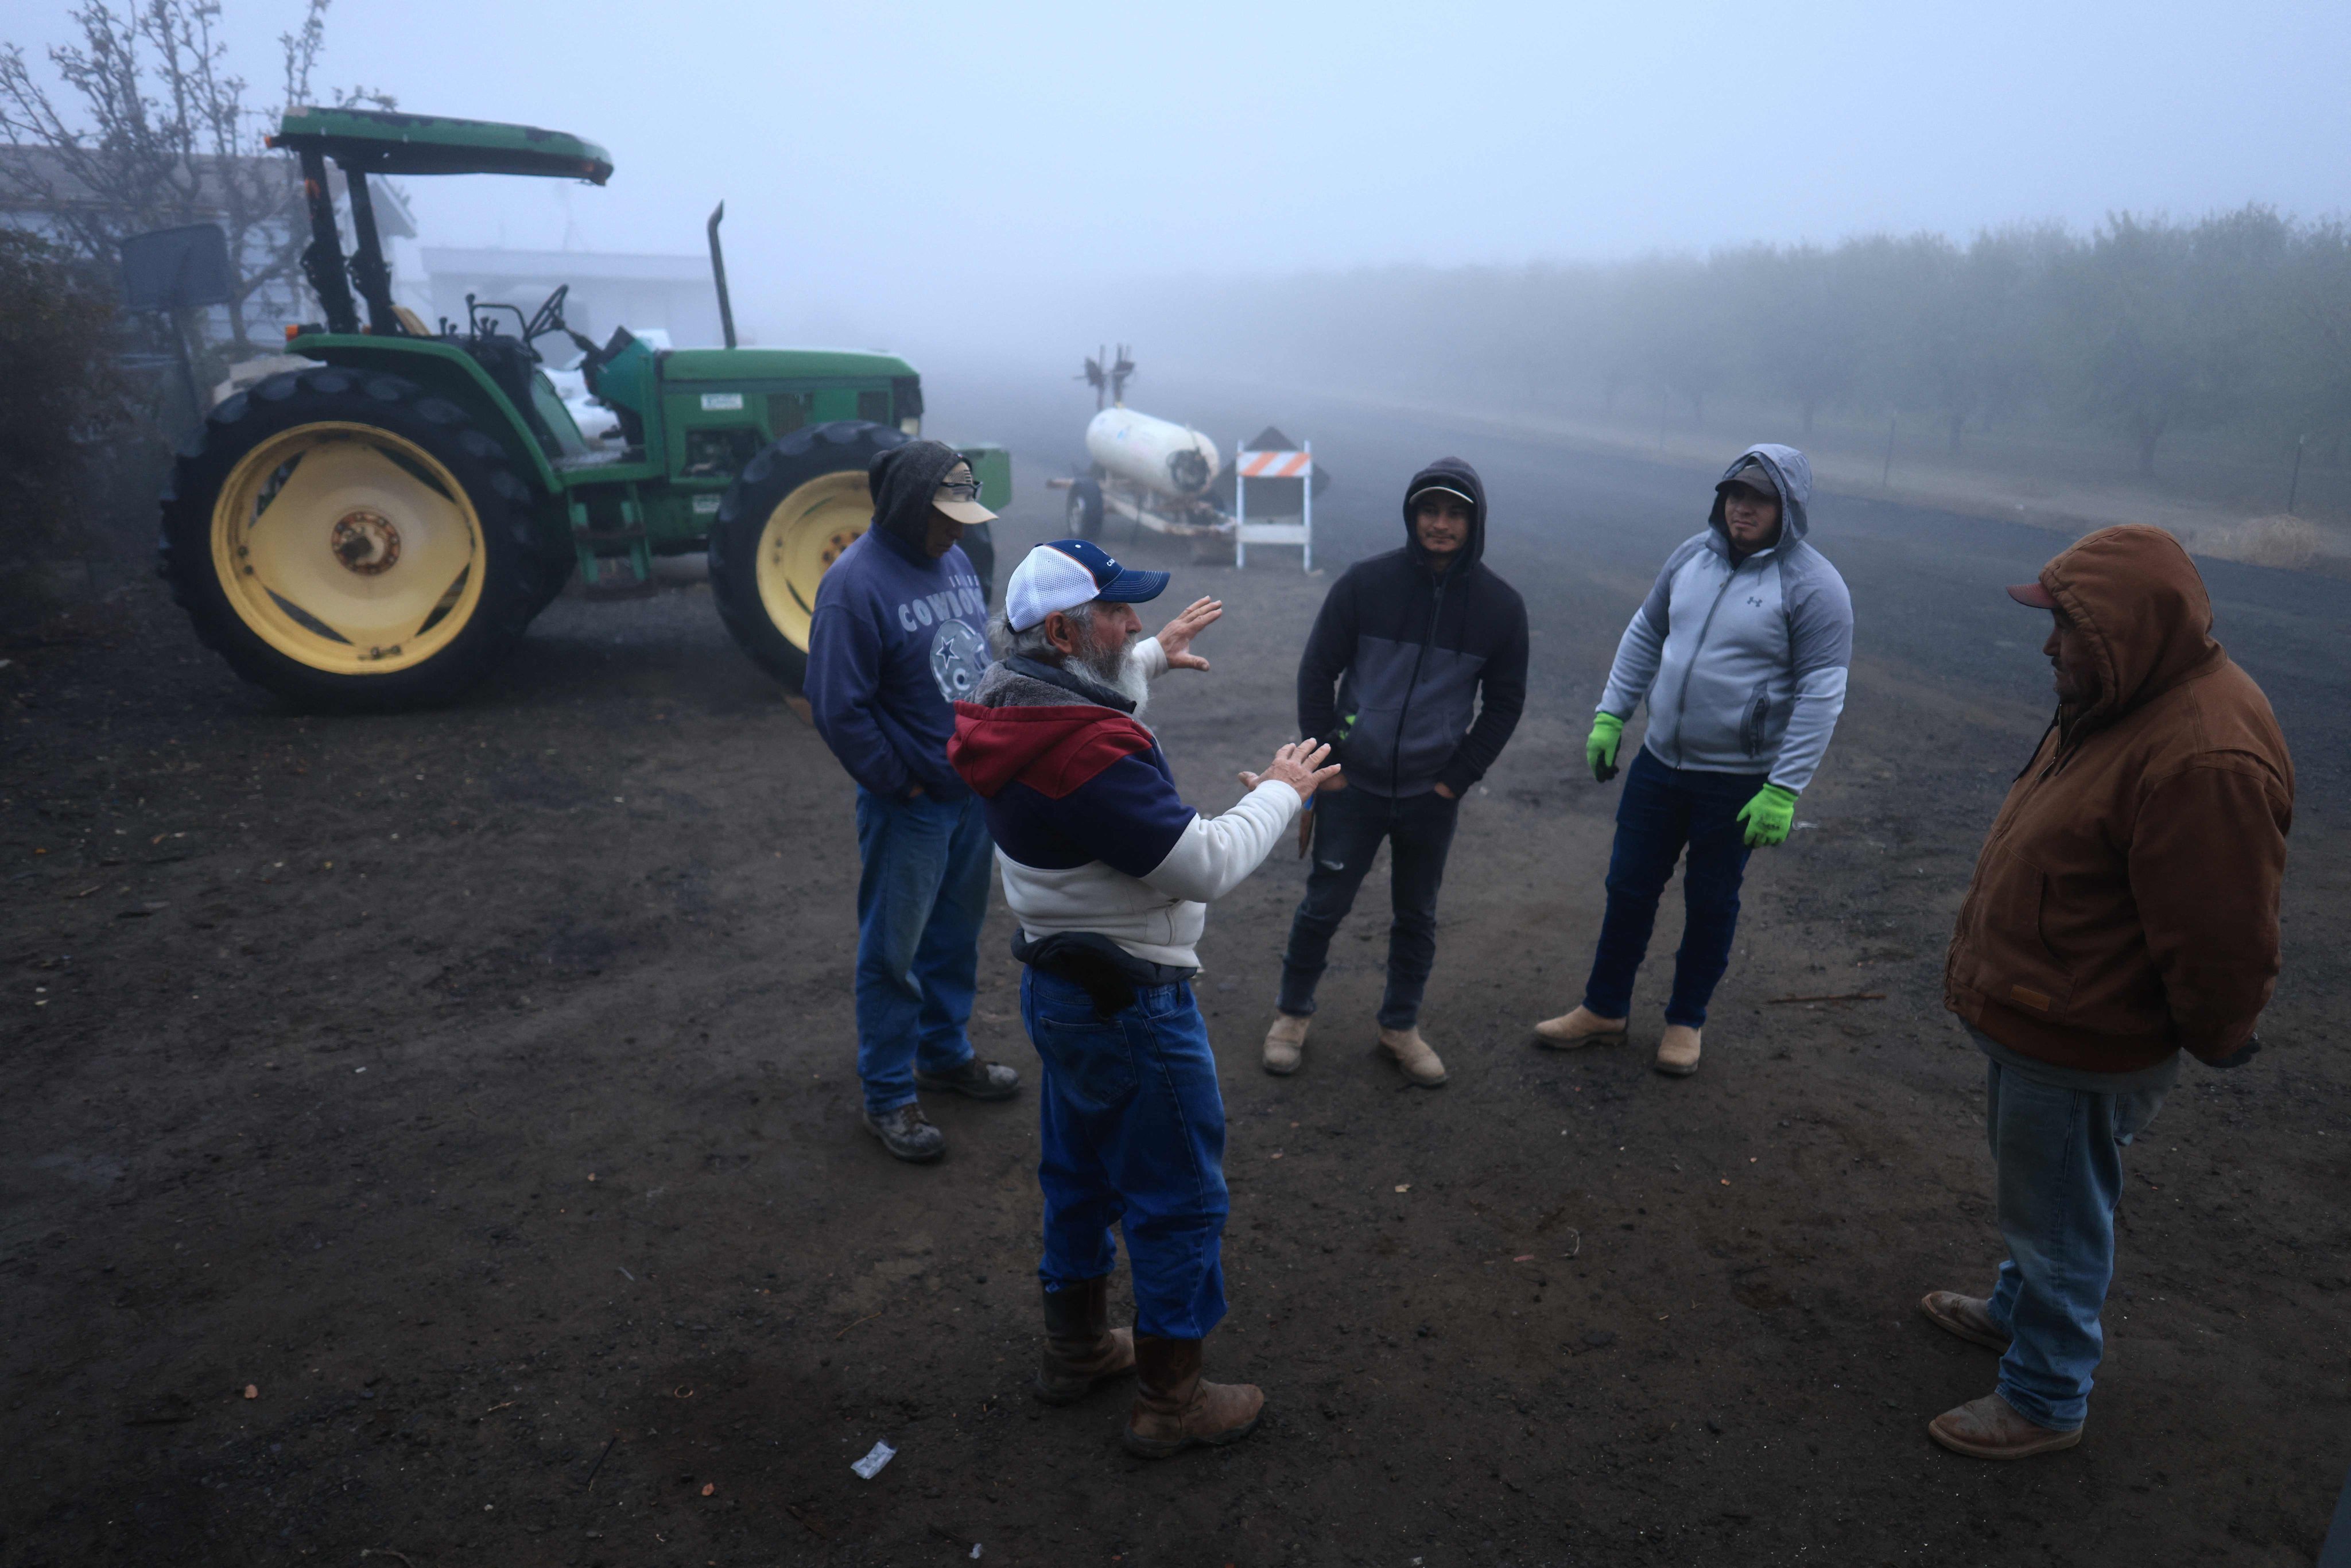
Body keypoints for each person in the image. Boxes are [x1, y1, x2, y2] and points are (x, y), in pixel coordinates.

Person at [947, 538, 1335, 1459]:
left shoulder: (1008, 706)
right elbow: (1202, 864)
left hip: (1062, 986)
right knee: (1179, 1199)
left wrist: (1148, 652)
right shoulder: (1087, 752)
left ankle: (1076, 1348)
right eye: (1117, 615)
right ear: (1061, 629)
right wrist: (1282, 793)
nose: (1131, 625)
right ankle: (1173, 1401)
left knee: (1079, 1178)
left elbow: (1083, 688)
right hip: (1131, 1004)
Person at [1925, 525, 2291, 1460]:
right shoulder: (2123, 695)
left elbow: (2220, 935)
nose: (2050, 648)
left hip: (2085, 1032)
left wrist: (2217, 1030)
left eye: (2069, 631)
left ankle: (2047, 1393)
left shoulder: (2203, 753)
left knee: (2059, 1217)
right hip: (2045, 1013)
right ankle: (2016, 1312)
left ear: (2128, 631)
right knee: (2039, 1197)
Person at [1534, 445, 1852, 1077]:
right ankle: (1604, 1008)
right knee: (1627, 888)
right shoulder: (1691, 557)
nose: (1742, 508)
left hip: (1737, 780)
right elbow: (1646, 631)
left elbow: (1822, 693)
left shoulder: (1815, 587)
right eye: (1735, 494)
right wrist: (1610, 714)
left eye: (1759, 498)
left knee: (1710, 901)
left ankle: (1685, 1021)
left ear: (1788, 507)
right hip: (1659, 765)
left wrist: (1783, 788)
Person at [1263, 458, 1528, 1085]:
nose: (1440, 524)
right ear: (1412, 515)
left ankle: (1399, 1026)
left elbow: (1506, 702)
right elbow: (1316, 673)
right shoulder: (1365, 584)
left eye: (1455, 514)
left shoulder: (1499, 606)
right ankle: (1290, 1017)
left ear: (1473, 521)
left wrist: (1454, 779)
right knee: (1323, 904)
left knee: (1417, 914)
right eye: (1430, 511)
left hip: (1429, 794)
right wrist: (1325, 764)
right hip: (1350, 784)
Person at [806, 440, 1022, 1164]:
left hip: (970, 795)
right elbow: (838, 707)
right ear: (907, 508)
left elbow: (972, 657)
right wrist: (904, 782)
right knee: (893, 953)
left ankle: (944, 1053)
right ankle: (888, 1092)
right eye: (947, 515)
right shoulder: (853, 585)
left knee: (954, 937)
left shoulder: (954, 560)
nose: (960, 529)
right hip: (913, 805)